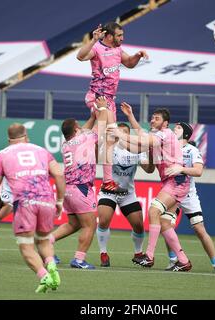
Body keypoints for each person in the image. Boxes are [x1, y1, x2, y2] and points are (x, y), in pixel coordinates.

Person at [108, 103, 192, 271]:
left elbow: (142, 140)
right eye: (152, 117)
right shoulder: (158, 134)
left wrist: (119, 133)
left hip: (176, 181)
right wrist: (130, 116)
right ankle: (183, 261)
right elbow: (140, 138)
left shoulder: (166, 134)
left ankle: (149, 256)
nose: (153, 120)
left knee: (153, 211)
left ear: (166, 123)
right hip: (176, 182)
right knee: (165, 223)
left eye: (157, 118)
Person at [0, 123, 66, 293]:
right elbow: (59, 174)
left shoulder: (3, 155)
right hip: (47, 201)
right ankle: (51, 265)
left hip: (25, 203)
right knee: (44, 241)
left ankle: (44, 276)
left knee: (26, 246)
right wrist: (59, 202)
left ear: (9, 140)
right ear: (26, 136)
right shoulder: (41, 151)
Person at [76, 21, 148, 194]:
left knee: (110, 139)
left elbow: (129, 63)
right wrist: (93, 40)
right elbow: (80, 56)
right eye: (119, 35)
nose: (122, 38)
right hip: (97, 97)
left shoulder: (117, 50)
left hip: (110, 100)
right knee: (104, 133)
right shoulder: (97, 49)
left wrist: (138, 55)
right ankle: (79, 147)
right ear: (108, 36)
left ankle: (107, 181)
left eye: (122, 35)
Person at [163, 122, 215, 274]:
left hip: (189, 196)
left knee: (199, 229)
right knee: (166, 225)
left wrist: (181, 169)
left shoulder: (192, 150)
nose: (174, 129)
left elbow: (198, 171)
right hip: (173, 193)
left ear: (185, 134)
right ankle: (173, 260)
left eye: (178, 127)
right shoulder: (168, 148)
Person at [50, 99, 105, 269]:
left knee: (74, 224)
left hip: (68, 189)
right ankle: (79, 260)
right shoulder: (84, 138)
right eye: (78, 126)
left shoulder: (66, 144)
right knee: (90, 224)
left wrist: (92, 116)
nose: (82, 127)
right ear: (76, 130)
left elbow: (84, 131)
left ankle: (47, 241)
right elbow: (100, 128)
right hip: (81, 188)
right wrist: (102, 108)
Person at [96, 122, 155, 267]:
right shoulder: (109, 148)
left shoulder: (136, 150)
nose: (120, 135)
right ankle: (103, 253)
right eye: (118, 131)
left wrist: (152, 155)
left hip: (127, 194)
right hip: (108, 192)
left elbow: (149, 170)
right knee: (103, 220)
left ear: (128, 135)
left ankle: (138, 253)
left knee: (139, 225)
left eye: (124, 132)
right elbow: (96, 156)